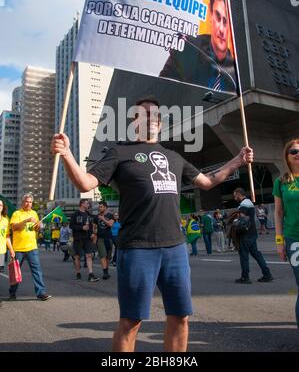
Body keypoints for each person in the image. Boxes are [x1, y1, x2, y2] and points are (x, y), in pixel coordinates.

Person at [51, 96, 253, 352]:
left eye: (156, 114)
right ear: (134, 121)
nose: (152, 118)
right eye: (144, 114)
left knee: (180, 316)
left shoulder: (174, 157)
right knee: (131, 321)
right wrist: (67, 154)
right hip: (137, 248)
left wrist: (237, 160)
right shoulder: (120, 152)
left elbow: (208, 182)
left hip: (175, 248)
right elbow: (85, 183)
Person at [159, 0, 236, 92]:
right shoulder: (188, 49)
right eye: (217, 17)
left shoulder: (235, 68)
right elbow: (161, 88)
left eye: (225, 21)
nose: (221, 29)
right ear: (210, 15)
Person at [273, 139, 299, 328]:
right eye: (294, 151)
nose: (298, 154)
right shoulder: (281, 181)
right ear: (287, 156)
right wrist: (279, 241)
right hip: (294, 239)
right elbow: (278, 212)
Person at [8, 193, 51, 301]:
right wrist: (26, 220)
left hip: (32, 247)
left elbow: (35, 229)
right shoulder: (17, 213)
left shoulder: (34, 213)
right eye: (27, 201)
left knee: (37, 271)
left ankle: (41, 293)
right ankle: (12, 293)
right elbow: (14, 227)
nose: (28, 204)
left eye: (30, 202)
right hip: (18, 248)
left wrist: (39, 226)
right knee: (16, 272)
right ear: (22, 202)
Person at [233, 188, 273, 284]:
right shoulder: (249, 202)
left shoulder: (244, 204)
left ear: (239, 194)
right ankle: (267, 274)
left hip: (245, 234)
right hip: (252, 233)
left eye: (235, 196)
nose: (235, 198)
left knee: (244, 256)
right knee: (256, 254)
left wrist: (234, 221)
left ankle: (245, 277)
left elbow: (241, 218)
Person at [69, 199, 99, 282]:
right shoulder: (75, 214)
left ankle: (91, 274)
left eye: (89, 204)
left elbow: (90, 225)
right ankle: (78, 273)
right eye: (87, 203)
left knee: (89, 255)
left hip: (87, 238)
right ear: (82, 204)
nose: (88, 205)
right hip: (78, 238)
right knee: (77, 257)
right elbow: (71, 226)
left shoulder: (88, 214)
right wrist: (81, 228)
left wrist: (92, 233)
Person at [93, 201, 114, 279]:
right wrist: (94, 234)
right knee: (103, 255)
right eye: (99, 206)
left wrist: (103, 219)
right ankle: (105, 272)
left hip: (109, 238)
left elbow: (110, 224)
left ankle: (106, 270)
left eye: (101, 206)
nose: (99, 208)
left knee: (108, 257)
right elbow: (94, 227)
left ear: (105, 207)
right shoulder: (96, 217)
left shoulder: (110, 215)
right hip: (100, 238)